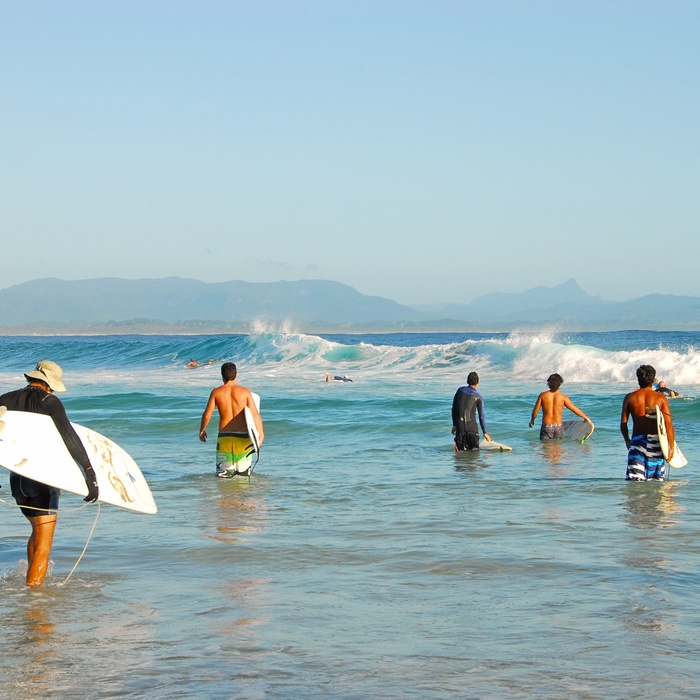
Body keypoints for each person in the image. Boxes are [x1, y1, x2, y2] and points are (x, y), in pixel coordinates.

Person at [0, 360, 99, 587]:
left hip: (17, 480)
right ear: (49, 384)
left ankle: (28, 591)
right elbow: (70, 437)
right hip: (42, 480)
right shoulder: (49, 401)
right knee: (44, 544)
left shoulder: (5, 399)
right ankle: (34, 604)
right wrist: (89, 472)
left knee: (36, 531)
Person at [199, 362, 265, 477]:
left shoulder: (216, 392)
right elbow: (255, 415)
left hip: (225, 437)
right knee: (244, 477)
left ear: (222, 375)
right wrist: (261, 433)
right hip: (243, 437)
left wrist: (202, 430)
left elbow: (206, 415)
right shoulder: (245, 392)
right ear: (236, 374)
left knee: (223, 476)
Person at [621, 364, 673, 481]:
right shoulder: (661, 398)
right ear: (653, 379)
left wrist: (627, 440)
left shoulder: (629, 397)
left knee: (635, 482)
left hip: (637, 442)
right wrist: (671, 448)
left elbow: (623, 424)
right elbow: (668, 424)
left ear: (638, 379)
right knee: (656, 482)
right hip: (656, 444)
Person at [529, 373, 593, 440]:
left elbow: (536, 410)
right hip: (558, 427)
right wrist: (585, 417)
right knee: (558, 449)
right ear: (560, 384)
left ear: (548, 383)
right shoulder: (563, 397)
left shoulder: (543, 395)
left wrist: (532, 420)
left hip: (546, 427)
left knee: (546, 448)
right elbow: (574, 409)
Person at [451, 371, 491, 451]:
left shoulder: (459, 391)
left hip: (460, 429)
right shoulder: (479, 397)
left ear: (467, 381)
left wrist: (455, 425)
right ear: (478, 382)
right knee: (474, 457)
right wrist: (485, 432)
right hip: (472, 431)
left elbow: (454, 409)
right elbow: (481, 416)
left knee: (459, 457)